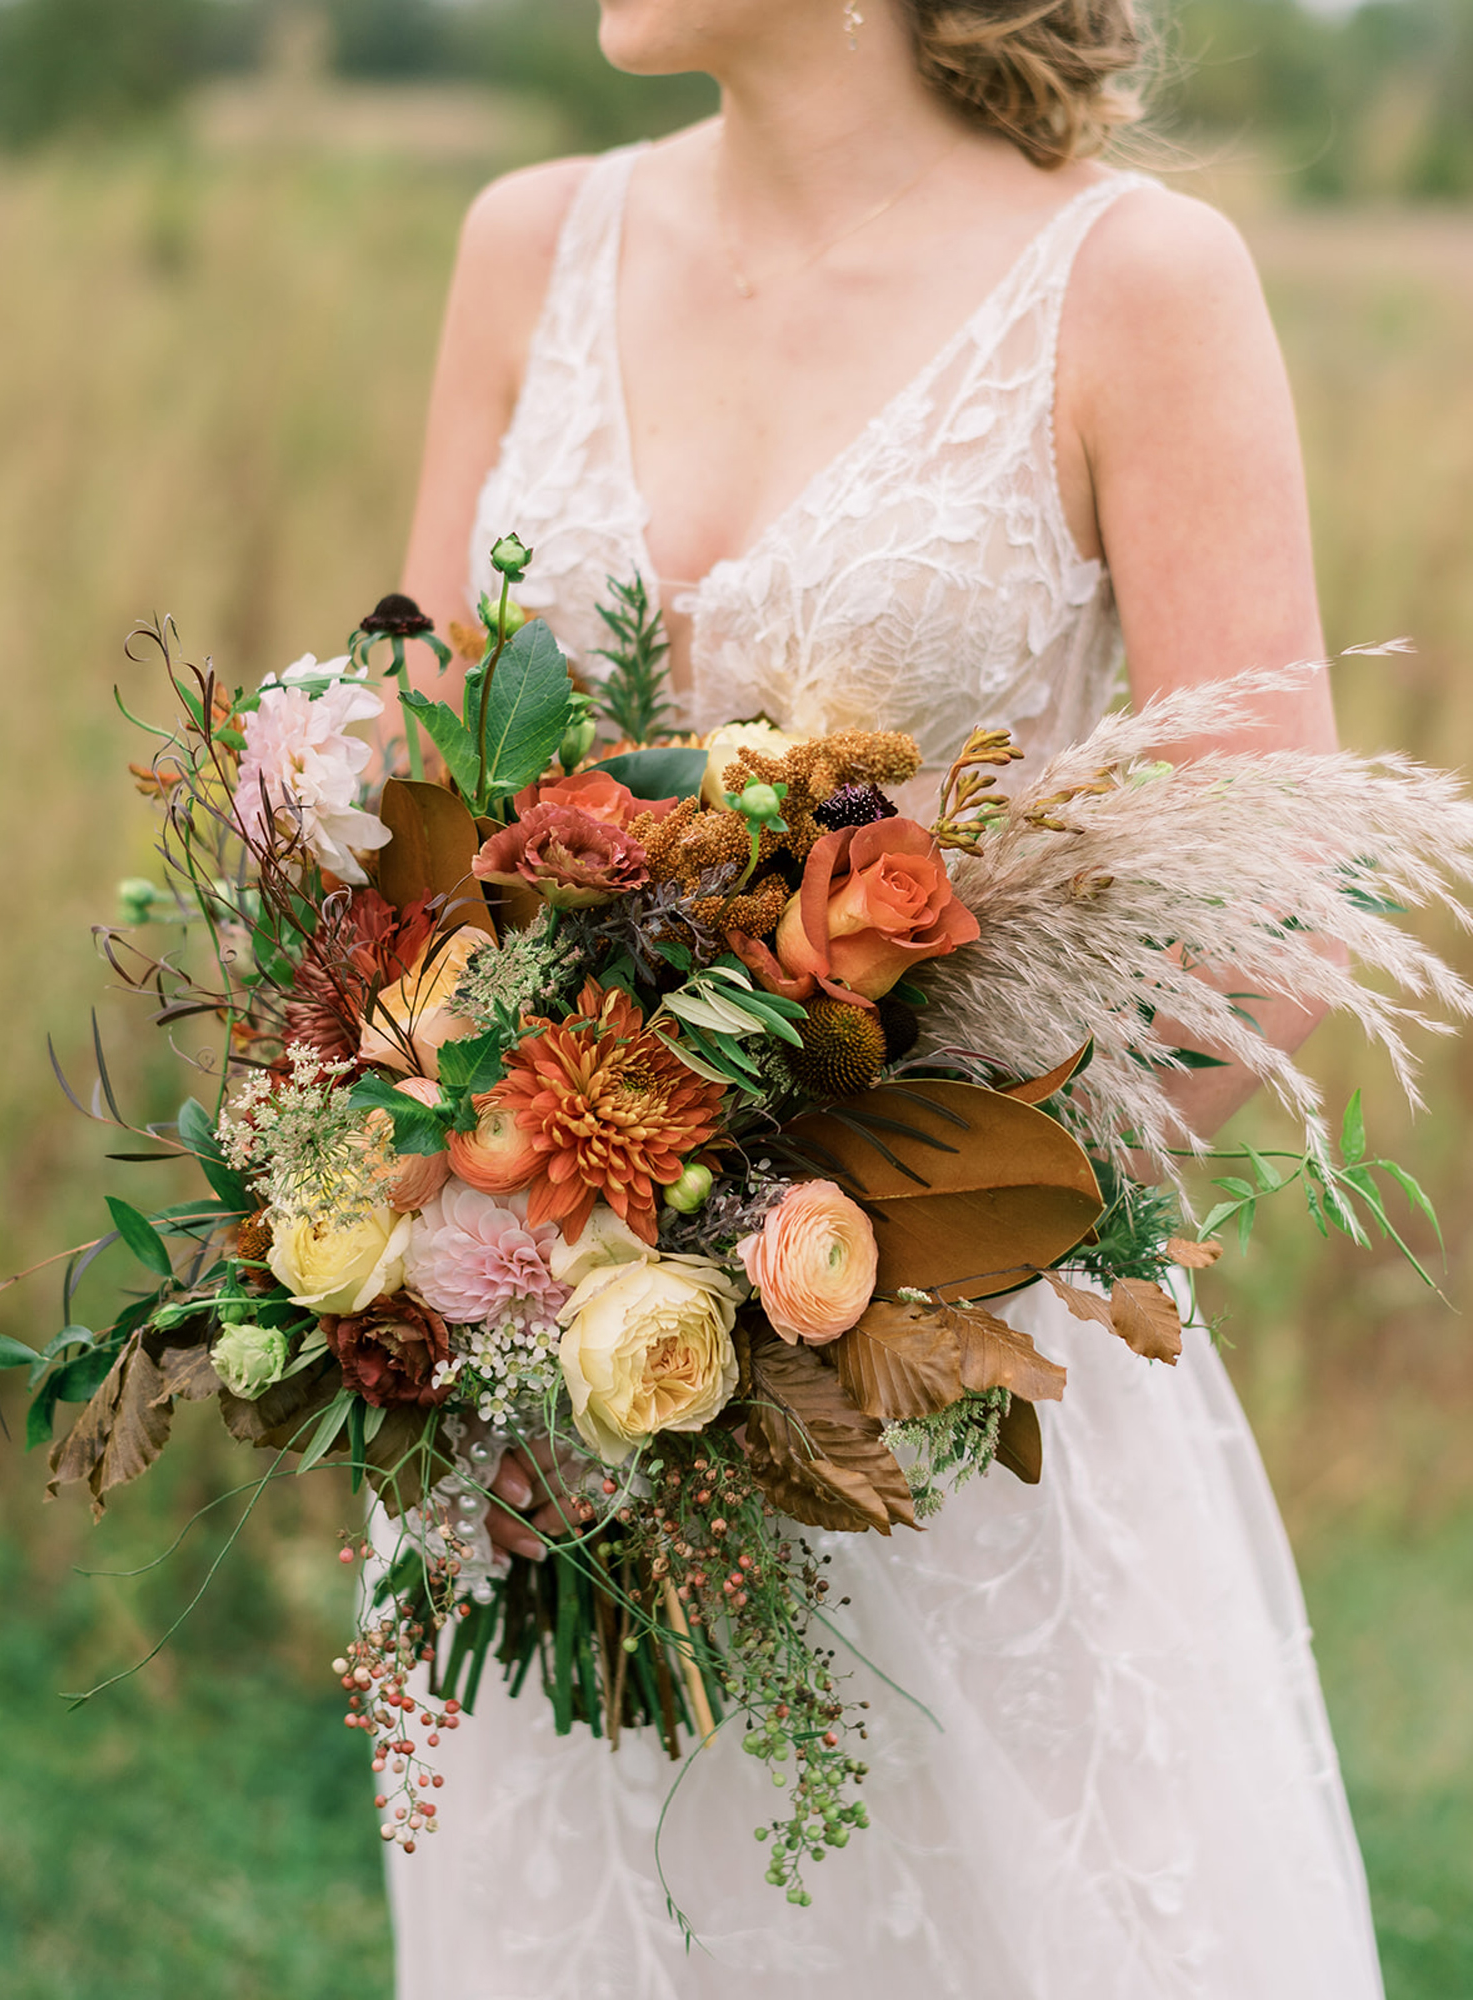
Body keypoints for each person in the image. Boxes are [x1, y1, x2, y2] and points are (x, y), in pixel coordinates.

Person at [387, 3, 1384, 1994]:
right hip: (554, 1403)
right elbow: (412, 817)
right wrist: (462, 1224)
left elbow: (1269, 932)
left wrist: (855, 1252)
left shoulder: (1138, 284)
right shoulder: (526, 240)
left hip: (947, 1406)